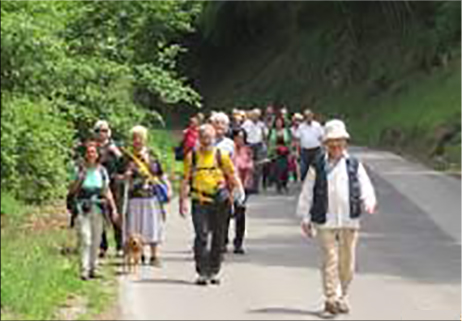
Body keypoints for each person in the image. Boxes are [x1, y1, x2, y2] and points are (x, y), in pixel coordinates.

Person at [296, 119, 377, 316]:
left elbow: (365, 185)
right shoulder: (318, 165)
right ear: (325, 144)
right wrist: (305, 217)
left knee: (347, 262)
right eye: (332, 141)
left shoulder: (353, 164)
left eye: (339, 141)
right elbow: (307, 191)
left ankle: (342, 295)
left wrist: (369, 200)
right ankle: (331, 299)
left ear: (345, 143)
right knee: (330, 260)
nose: (336, 145)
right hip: (325, 219)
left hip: (349, 220)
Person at [180, 124, 245, 286]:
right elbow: (186, 179)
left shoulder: (221, 156)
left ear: (214, 138)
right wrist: (183, 201)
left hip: (219, 201)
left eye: (209, 137)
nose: (206, 140)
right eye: (203, 137)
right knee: (201, 235)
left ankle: (214, 271)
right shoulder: (192, 157)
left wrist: (239, 190)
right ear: (199, 139)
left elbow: (231, 174)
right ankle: (202, 272)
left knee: (218, 236)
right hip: (199, 200)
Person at [121, 125, 172, 267]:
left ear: (145, 139)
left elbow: (160, 173)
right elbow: (118, 177)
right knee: (135, 226)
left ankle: (154, 255)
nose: (137, 141)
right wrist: (126, 175)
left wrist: (168, 187)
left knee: (153, 225)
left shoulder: (152, 155)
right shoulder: (126, 157)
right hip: (134, 196)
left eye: (140, 138)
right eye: (134, 138)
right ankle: (137, 254)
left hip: (151, 195)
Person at [68, 142, 118, 280]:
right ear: (85, 154)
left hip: (99, 207)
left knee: (96, 239)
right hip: (82, 207)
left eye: (93, 152)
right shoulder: (78, 170)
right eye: (89, 152)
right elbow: (72, 190)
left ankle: (93, 268)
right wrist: (79, 178)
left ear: (97, 154)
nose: (91, 154)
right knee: (85, 238)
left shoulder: (102, 171)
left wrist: (113, 209)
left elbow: (106, 191)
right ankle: (84, 269)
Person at [93, 120, 124, 258]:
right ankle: (102, 246)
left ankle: (119, 245)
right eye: (99, 130)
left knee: (115, 214)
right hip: (97, 184)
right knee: (100, 214)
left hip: (113, 184)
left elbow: (123, 164)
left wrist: (116, 153)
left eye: (105, 130)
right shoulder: (92, 148)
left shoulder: (115, 146)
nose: (102, 133)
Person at [231, 128, 254, 254]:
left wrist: (248, 167)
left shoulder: (247, 150)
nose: (240, 140)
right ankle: (222, 240)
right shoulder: (229, 149)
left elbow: (250, 164)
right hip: (229, 185)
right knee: (225, 213)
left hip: (243, 185)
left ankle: (238, 243)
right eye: (237, 137)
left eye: (242, 137)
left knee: (240, 214)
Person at [294, 109, 324, 182]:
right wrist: (297, 151)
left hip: (316, 149)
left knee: (317, 166)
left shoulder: (317, 125)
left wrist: (323, 148)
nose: (308, 118)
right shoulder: (301, 127)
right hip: (305, 151)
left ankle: (318, 182)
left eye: (310, 116)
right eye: (307, 116)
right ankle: (304, 181)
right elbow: (297, 140)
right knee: (304, 168)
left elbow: (321, 137)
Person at [242, 109, 267, 194]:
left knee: (258, 167)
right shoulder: (246, 124)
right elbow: (243, 135)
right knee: (249, 167)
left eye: (257, 115)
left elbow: (264, 136)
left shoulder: (261, 125)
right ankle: (248, 186)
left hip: (259, 145)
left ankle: (256, 187)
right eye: (254, 115)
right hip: (249, 145)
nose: (256, 117)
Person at [267, 117, 291, 193]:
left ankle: (284, 183)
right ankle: (279, 186)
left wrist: (289, 150)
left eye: (280, 122)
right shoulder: (272, 131)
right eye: (277, 122)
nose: (279, 124)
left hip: (285, 153)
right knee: (277, 170)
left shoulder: (286, 131)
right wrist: (272, 150)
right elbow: (269, 142)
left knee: (285, 170)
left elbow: (289, 141)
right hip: (275, 153)